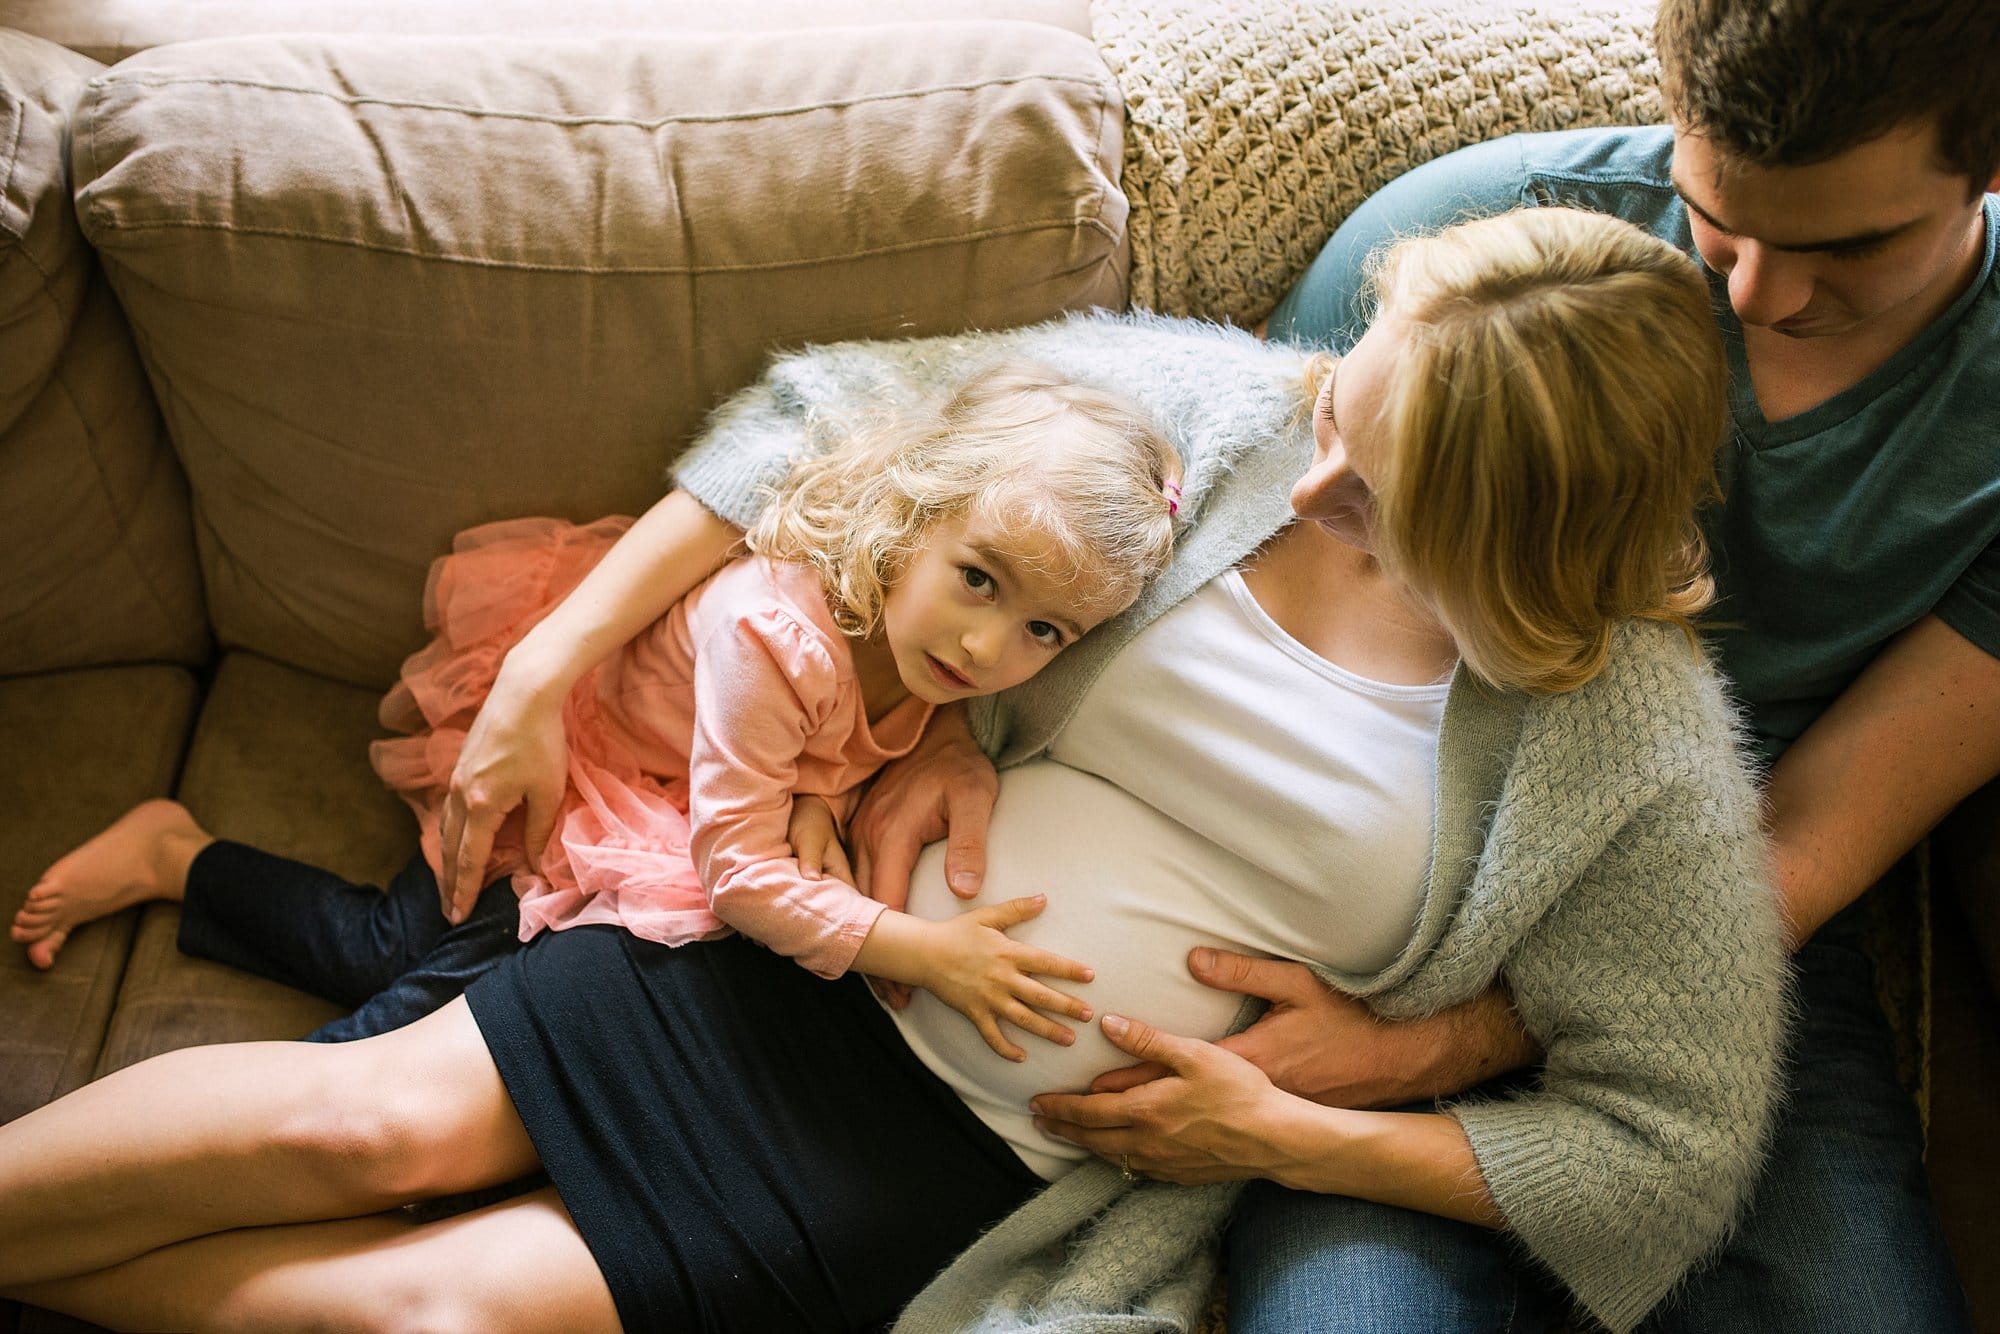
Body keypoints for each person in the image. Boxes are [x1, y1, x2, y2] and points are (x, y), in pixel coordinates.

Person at [0, 209, 1781, 1334]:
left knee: (434, 1316)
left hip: (972, 1156)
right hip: (779, 943)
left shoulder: (1632, 745)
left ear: (1519, 538)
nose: (1311, 489)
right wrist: (578, 667)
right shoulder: (1232, 412)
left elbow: (1666, 1144)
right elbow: (827, 413)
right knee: (362, 1121)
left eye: (1379, 496)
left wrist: (1299, 1130)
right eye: (1337, 419)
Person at [1042, 0, 1999, 1330]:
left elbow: (1817, 829)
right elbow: (1241, 549)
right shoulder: (1472, 248)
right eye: (1720, 218)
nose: (1757, 297)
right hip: (1379, 881)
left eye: (1850, 244)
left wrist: (1438, 1046)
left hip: (1706, 921)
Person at [10, 362, 1182, 1062]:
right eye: (978, 579)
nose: (988, 649)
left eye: (1045, 630)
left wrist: (850, 782)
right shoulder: (768, 633)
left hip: (679, 785)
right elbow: (737, 869)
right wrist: (922, 948)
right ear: (908, 511)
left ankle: (185, 868)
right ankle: (181, 865)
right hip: (586, 768)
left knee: (430, 970)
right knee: (405, 978)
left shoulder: (928, 666)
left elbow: (862, 736)